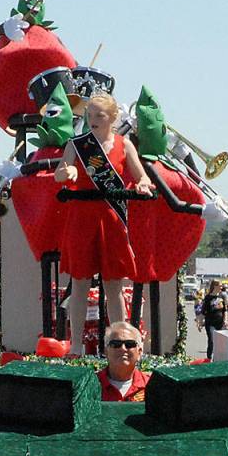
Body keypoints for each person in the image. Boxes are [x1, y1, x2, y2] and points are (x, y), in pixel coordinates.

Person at [54, 94, 154, 355]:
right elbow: (60, 173)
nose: (93, 120)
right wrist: (67, 172)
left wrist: (142, 184)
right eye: (90, 115)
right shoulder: (77, 146)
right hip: (82, 220)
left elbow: (140, 175)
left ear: (112, 118)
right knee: (79, 284)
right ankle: (76, 345)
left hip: (111, 220)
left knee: (114, 287)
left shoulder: (125, 144)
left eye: (99, 115)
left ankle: (119, 344)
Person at [97, 321, 150, 401]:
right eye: (115, 344)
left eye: (129, 344)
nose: (123, 348)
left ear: (139, 352)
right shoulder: (91, 384)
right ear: (106, 352)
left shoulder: (151, 385)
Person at [199, 279, 228, 359]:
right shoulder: (208, 297)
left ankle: (218, 358)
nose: (221, 287)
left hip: (220, 323)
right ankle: (209, 358)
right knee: (211, 340)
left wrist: (225, 320)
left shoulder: (222, 296)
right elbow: (203, 312)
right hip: (210, 322)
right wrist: (200, 323)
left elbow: (225, 310)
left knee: (220, 342)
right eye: (220, 285)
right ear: (215, 286)